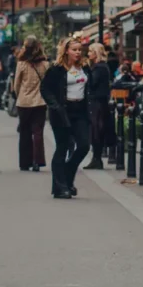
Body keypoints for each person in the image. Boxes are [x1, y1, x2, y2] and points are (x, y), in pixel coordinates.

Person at [40, 37, 91, 198]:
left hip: (80, 111)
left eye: (79, 49)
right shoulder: (57, 69)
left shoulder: (85, 67)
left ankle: (67, 174)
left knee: (84, 145)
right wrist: (55, 105)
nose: (78, 52)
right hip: (62, 112)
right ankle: (60, 187)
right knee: (62, 147)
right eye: (74, 49)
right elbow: (45, 89)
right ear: (66, 51)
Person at [12, 36, 49, 172]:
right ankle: (37, 161)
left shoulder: (21, 64)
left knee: (24, 132)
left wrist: (19, 95)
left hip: (24, 102)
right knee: (38, 132)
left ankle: (24, 162)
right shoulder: (45, 65)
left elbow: (16, 85)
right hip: (40, 101)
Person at [85, 42, 112, 170]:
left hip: (98, 103)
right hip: (99, 102)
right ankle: (96, 159)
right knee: (96, 130)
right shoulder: (101, 67)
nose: (88, 54)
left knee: (96, 130)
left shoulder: (99, 68)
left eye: (91, 51)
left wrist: (87, 71)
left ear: (96, 53)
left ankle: (97, 159)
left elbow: (92, 83)